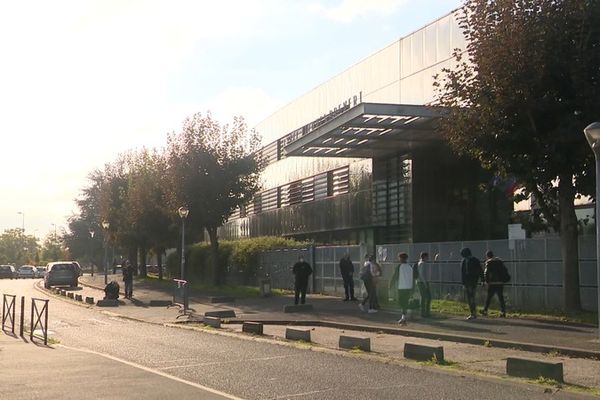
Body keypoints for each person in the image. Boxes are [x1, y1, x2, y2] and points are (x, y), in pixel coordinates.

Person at [481, 250, 508, 317]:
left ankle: (485, 310)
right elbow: (505, 270)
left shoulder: (488, 262)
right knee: (501, 298)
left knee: (489, 297)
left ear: (487, 256)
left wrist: (487, 281)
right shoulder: (499, 262)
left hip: (492, 283)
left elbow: (486, 273)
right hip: (500, 282)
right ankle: (503, 312)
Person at [390, 252, 413, 324]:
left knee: (402, 302)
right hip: (409, 286)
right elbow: (412, 277)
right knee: (405, 301)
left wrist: (391, 285)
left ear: (401, 258)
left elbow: (395, 276)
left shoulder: (399, 267)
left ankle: (404, 316)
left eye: (399, 258)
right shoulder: (409, 266)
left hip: (401, 286)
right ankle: (405, 314)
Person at [460, 247, 483, 320]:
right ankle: (473, 312)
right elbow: (480, 270)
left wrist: (482, 279)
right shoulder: (469, 260)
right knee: (471, 297)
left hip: (470, 281)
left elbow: (463, 273)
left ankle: (473, 313)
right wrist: (482, 279)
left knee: (470, 297)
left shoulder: (468, 261)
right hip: (471, 281)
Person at [416, 252, 432, 317]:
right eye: (427, 257)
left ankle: (425, 312)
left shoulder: (421, 263)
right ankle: (424, 312)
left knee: (426, 297)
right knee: (425, 297)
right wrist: (425, 283)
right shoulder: (422, 264)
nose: (428, 258)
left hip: (422, 282)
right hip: (422, 282)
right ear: (424, 257)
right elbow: (421, 274)